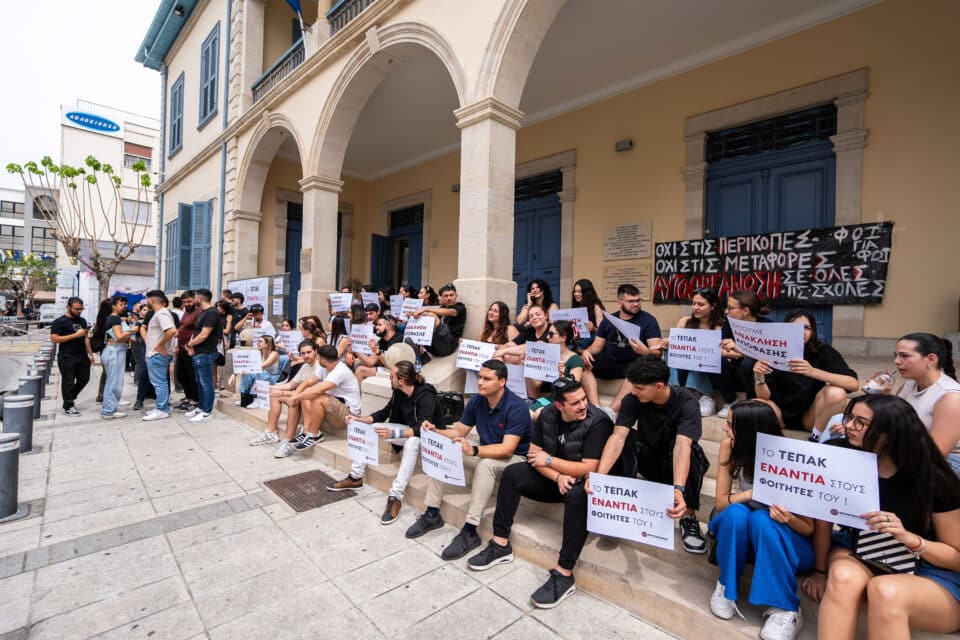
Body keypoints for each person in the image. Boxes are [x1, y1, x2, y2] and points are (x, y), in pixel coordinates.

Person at [801, 395, 960, 638]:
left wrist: (910, 538)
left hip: (928, 566)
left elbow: (956, 557)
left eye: (860, 422)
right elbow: (825, 515)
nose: (849, 426)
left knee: (885, 590)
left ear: (890, 432)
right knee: (843, 578)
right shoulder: (840, 453)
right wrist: (820, 571)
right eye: (850, 418)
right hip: (860, 547)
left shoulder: (932, 477)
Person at [468, 378, 612, 608]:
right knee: (513, 473)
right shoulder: (547, 415)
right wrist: (557, 475)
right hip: (556, 477)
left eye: (584, 399)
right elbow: (534, 456)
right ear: (559, 406)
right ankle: (500, 543)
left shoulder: (598, 422)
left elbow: (588, 469)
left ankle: (564, 574)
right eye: (575, 403)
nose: (583, 406)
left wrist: (550, 460)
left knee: (580, 496)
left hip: (581, 483)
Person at [405, 359, 531, 560]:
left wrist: (473, 449)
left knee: (486, 464)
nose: (480, 382)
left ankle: (470, 530)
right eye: (480, 377)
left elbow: (507, 449)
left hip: (516, 461)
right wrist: (435, 430)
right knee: (447, 450)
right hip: (484, 451)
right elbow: (458, 432)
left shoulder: (517, 407)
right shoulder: (477, 400)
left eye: (487, 379)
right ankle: (431, 513)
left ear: (502, 382)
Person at [707, 401, 813, 639]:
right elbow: (721, 503)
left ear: (748, 432)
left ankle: (786, 607)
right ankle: (726, 586)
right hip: (744, 535)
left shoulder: (790, 458)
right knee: (736, 513)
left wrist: (788, 518)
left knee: (763, 519)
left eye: (730, 425)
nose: (724, 429)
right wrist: (750, 494)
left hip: (784, 539)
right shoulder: (730, 447)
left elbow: (808, 528)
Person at [591, 355, 708, 554]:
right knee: (624, 436)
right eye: (633, 386)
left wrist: (678, 488)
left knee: (694, 451)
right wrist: (599, 477)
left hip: (676, 463)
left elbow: (682, 446)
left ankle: (688, 516)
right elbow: (618, 437)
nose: (634, 392)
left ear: (659, 386)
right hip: (649, 457)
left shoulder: (687, 402)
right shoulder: (632, 399)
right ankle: (623, 503)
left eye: (640, 388)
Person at [327, 360, 447, 524]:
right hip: (407, 430)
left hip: (431, 437)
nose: (389, 378)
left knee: (412, 442)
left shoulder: (426, 394)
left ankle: (396, 496)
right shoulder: (398, 391)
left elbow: (424, 428)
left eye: (392, 376)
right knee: (372, 427)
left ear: (402, 380)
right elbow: (384, 413)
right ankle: (355, 477)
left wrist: (395, 432)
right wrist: (359, 420)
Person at [752, 310, 858, 436]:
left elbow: (853, 384)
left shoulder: (822, 350)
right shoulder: (771, 349)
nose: (801, 332)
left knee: (836, 392)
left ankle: (815, 435)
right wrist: (759, 376)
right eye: (794, 328)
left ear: (813, 331)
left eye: (806, 328)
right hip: (779, 413)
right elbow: (764, 398)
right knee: (754, 406)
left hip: (810, 415)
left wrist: (813, 371)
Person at [580, 284, 662, 412]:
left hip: (635, 364)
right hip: (612, 361)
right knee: (585, 367)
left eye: (638, 300)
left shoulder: (648, 321)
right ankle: (596, 409)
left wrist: (645, 351)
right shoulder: (608, 320)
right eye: (631, 301)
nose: (636, 304)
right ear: (619, 303)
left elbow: (658, 353)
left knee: (637, 371)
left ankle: (610, 412)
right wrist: (586, 352)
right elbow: (596, 347)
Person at [274, 344, 362, 457]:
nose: (317, 359)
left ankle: (315, 434)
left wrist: (294, 397)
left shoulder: (340, 371)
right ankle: (306, 431)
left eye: (318, 357)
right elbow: (308, 382)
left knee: (316, 396)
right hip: (334, 408)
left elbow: (317, 390)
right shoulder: (324, 367)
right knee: (307, 393)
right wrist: (296, 395)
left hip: (348, 416)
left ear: (322, 359)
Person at [893, 332, 960, 472]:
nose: (897, 361)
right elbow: (894, 422)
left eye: (904, 356)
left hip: (946, 464)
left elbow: (936, 454)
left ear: (931, 359)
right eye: (896, 355)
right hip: (913, 451)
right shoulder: (908, 386)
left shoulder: (950, 397)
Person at [661, 287, 726, 417]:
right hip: (682, 368)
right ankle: (674, 390)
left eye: (700, 304)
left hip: (710, 370)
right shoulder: (685, 321)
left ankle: (705, 396)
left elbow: (722, 353)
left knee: (697, 355)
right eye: (694, 303)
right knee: (671, 350)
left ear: (712, 307)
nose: (695, 307)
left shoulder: (720, 326)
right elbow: (675, 343)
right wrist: (667, 342)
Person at [249, 340, 320, 447]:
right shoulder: (305, 367)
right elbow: (290, 385)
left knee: (291, 399)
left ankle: (288, 439)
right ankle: (271, 432)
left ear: (316, 351)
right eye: (303, 353)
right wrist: (268, 387)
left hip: (314, 401)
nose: (306, 356)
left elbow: (310, 392)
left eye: (309, 352)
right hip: (303, 397)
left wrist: (282, 392)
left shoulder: (320, 367)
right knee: (275, 396)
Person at [717, 290, 771, 418]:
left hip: (758, 376)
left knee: (748, 362)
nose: (726, 311)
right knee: (713, 359)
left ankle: (752, 404)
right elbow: (720, 350)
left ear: (745, 311)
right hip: (735, 373)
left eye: (731, 308)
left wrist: (739, 349)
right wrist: (743, 353)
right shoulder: (729, 324)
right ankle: (730, 400)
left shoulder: (767, 325)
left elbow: (767, 354)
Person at [50, 297, 95, 417]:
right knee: (68, 382)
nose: (79, 311)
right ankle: (68, 405)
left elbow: (85, 338)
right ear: (68, 307)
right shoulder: (59, 321)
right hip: (67, 356)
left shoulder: (82, 321)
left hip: (82, 355)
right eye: (76, 309)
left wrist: (90, 354)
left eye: (81, 309)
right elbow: (54, 339)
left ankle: (69, 397)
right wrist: (75, 335)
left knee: (84, 379)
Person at [185, 289, 222, 423]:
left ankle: (207, 411)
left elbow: (204, 334)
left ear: (200, 298)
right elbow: (197, 332)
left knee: (206, 383)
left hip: (206, 353)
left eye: (194, 297)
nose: (193, 299)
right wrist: (190, 344)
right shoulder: (202, 313)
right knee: (200, 382)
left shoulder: (211, 313)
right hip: (198, 352)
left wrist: (190, 345)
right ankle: (201, 408)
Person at [142, 291, 178, 421]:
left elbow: (172, 331)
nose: (146, 302)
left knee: (159, 383)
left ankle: (162, 409)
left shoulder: (162, 313)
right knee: (159, 382)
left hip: (157, 354)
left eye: (147, 299)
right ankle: (161, 407)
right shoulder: (160, 313)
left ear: (151, 300)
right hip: (156, 353)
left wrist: (160, 346)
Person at [407, 283, 466, 362]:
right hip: (435, 346)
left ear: (456, 295)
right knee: (409, 337)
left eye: (451, 295)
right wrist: (413, 315)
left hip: (448, 345)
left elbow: (451, 312)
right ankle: (422, 355)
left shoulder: (460, 307)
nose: (449, 298)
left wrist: (425, 310)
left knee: (431, 315)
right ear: (441, 297)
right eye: (446, 296)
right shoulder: (441, 308)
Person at [100, 296, 135, 420]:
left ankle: (109, 408)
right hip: (115, 351)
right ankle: (108, 411)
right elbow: (119, 337)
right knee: (114, 382)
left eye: (125, 304)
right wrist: (132, 330)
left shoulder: (111, 318)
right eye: (121, 304)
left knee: (112, 381)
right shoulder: (114, 318)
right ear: (113, 305)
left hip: (113, 350)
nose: (124, 306)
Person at [235, 335, 284, 408]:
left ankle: (257, 399)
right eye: (258, 341)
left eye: (260, 341)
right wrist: (237, 373)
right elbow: (248, 364)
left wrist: (249, 369)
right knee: (247, 374)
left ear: (267, 344)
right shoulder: (258, 353)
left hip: (272, 378)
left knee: (260, 372)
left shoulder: (274, 354)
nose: (258, 343)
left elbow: (262, 366)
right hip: (261, 376)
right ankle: (244, 397)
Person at [354, 315, 403, 386]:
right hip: (386, 368)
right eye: (377, 325)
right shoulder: (382, 341)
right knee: (359, 368)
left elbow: (391, 366)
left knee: (360, 370)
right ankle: (361, 396)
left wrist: (377, 351)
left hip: (397, 371)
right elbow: (370, 362)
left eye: (379, 325)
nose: (376, 327)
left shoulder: (399, 339)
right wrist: (355, 349)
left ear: (388, 326)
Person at [173, 290, 200, 412]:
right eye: (184, 302)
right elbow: (182, 328)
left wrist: (191, 345)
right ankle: (189, 398)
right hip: (182, 348)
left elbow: (198, 331)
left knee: (191, 375)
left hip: (191, 349)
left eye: (189, 301)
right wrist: (178, 346)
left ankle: (195, 400)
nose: (187, 304)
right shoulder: (186, 312)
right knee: (181, 374)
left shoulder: (198, 312)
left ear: (195, 299)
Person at [571, 278, 606, 350]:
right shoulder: (576, 306)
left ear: (587, 293)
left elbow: (601, 332)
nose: (576, 294)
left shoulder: (596, 306)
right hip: (579, 340)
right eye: (575, 291)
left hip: (593, 342)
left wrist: (593, 329)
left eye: (580, 292)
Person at [92, 298, 113, 404]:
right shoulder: (110, 319)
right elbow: (111, 337)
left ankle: (101, 395)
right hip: (109, 348)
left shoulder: (101, 318)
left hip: (103, 349)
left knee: (105, 373)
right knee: (110, 373)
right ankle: (107, 396)